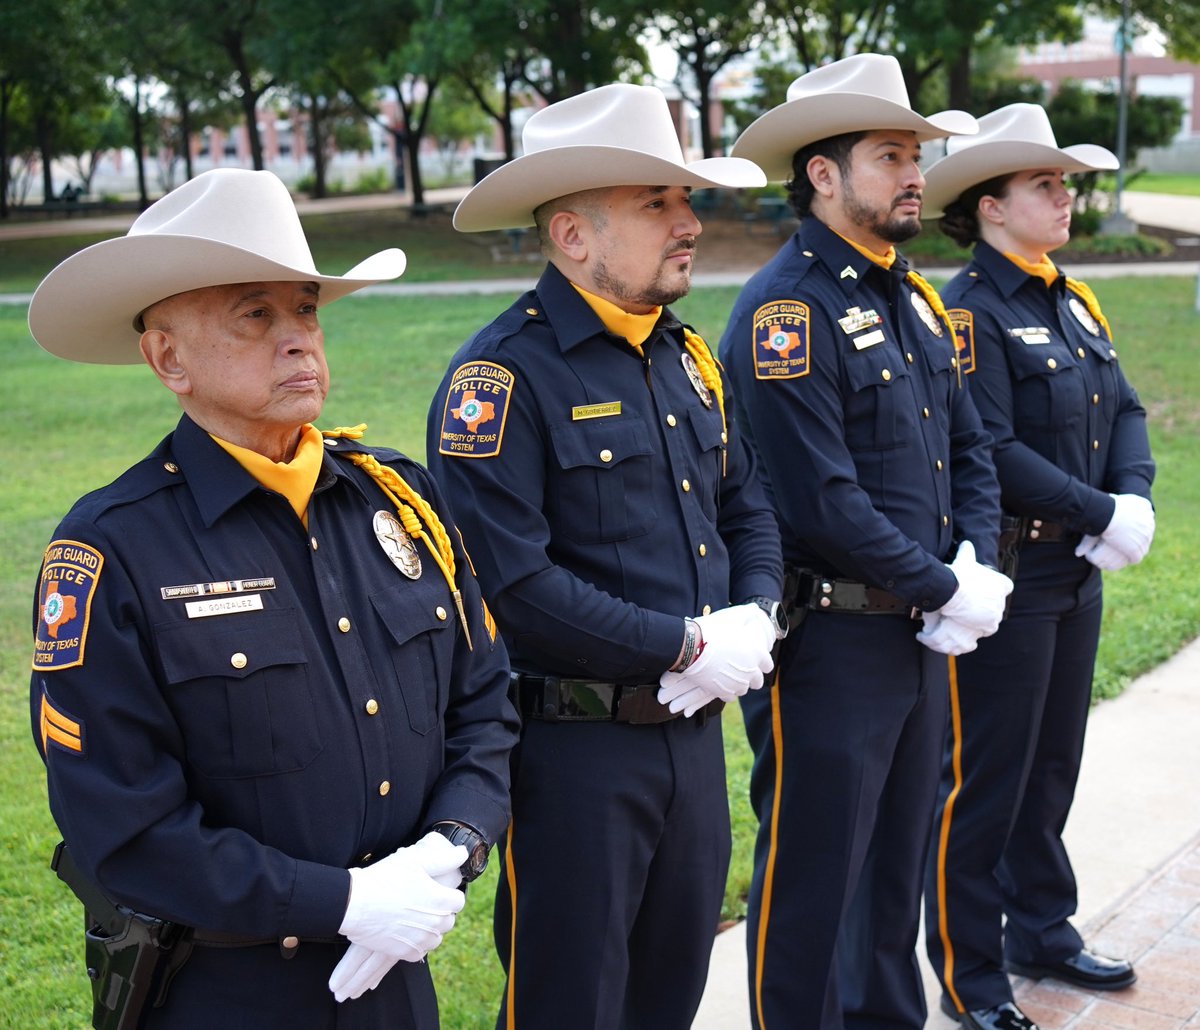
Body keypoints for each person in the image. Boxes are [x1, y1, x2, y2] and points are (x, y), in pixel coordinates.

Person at [27, 167, 519, 1030]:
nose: (298, 340)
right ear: (168, 358)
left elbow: (484, 703)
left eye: (306, 310)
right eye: (255, 315)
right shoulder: (112, 549)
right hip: (229, 991)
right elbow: (123, 827)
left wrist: (453, 846)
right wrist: (342, 902)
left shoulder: (397, 498)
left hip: (395, 970)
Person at [424, 83, 784, 1030]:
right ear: (574, 235)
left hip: (691, 737)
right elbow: (513, 585)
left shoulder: (686, 357)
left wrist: (755, 617)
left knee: (672, 988)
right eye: (657, 202)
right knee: (571, 1003)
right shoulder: (500, 379)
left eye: (685, 199)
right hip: (574, 755)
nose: (689, 223)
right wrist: (685, 645)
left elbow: (747, 505)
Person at [720, 53, 1014, 1029]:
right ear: (824, 173)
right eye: (891, 155)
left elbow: (970, 447)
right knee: (814, 888)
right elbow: (822, 501)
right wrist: (943, 585)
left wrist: (972, 565)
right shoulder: (785, 311)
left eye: (916, 156)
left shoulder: (915, 297)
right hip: (831, 647)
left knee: (894, 880)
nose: (915, 175)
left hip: (918, 635)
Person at [917, 103, 1155, 1030]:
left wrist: (1131, 498)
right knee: (986, 778)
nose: (1065, 198)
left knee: (1052, 764)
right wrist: (1100, 511)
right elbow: (991, 446)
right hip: (1012, 575)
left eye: (1065, 183)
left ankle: (1042, 930)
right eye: (1044, 184)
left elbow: (1125, 406)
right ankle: (969, 970)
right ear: (990, 206)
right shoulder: (970, 313)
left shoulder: (1070, 297)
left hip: (1076, 570)